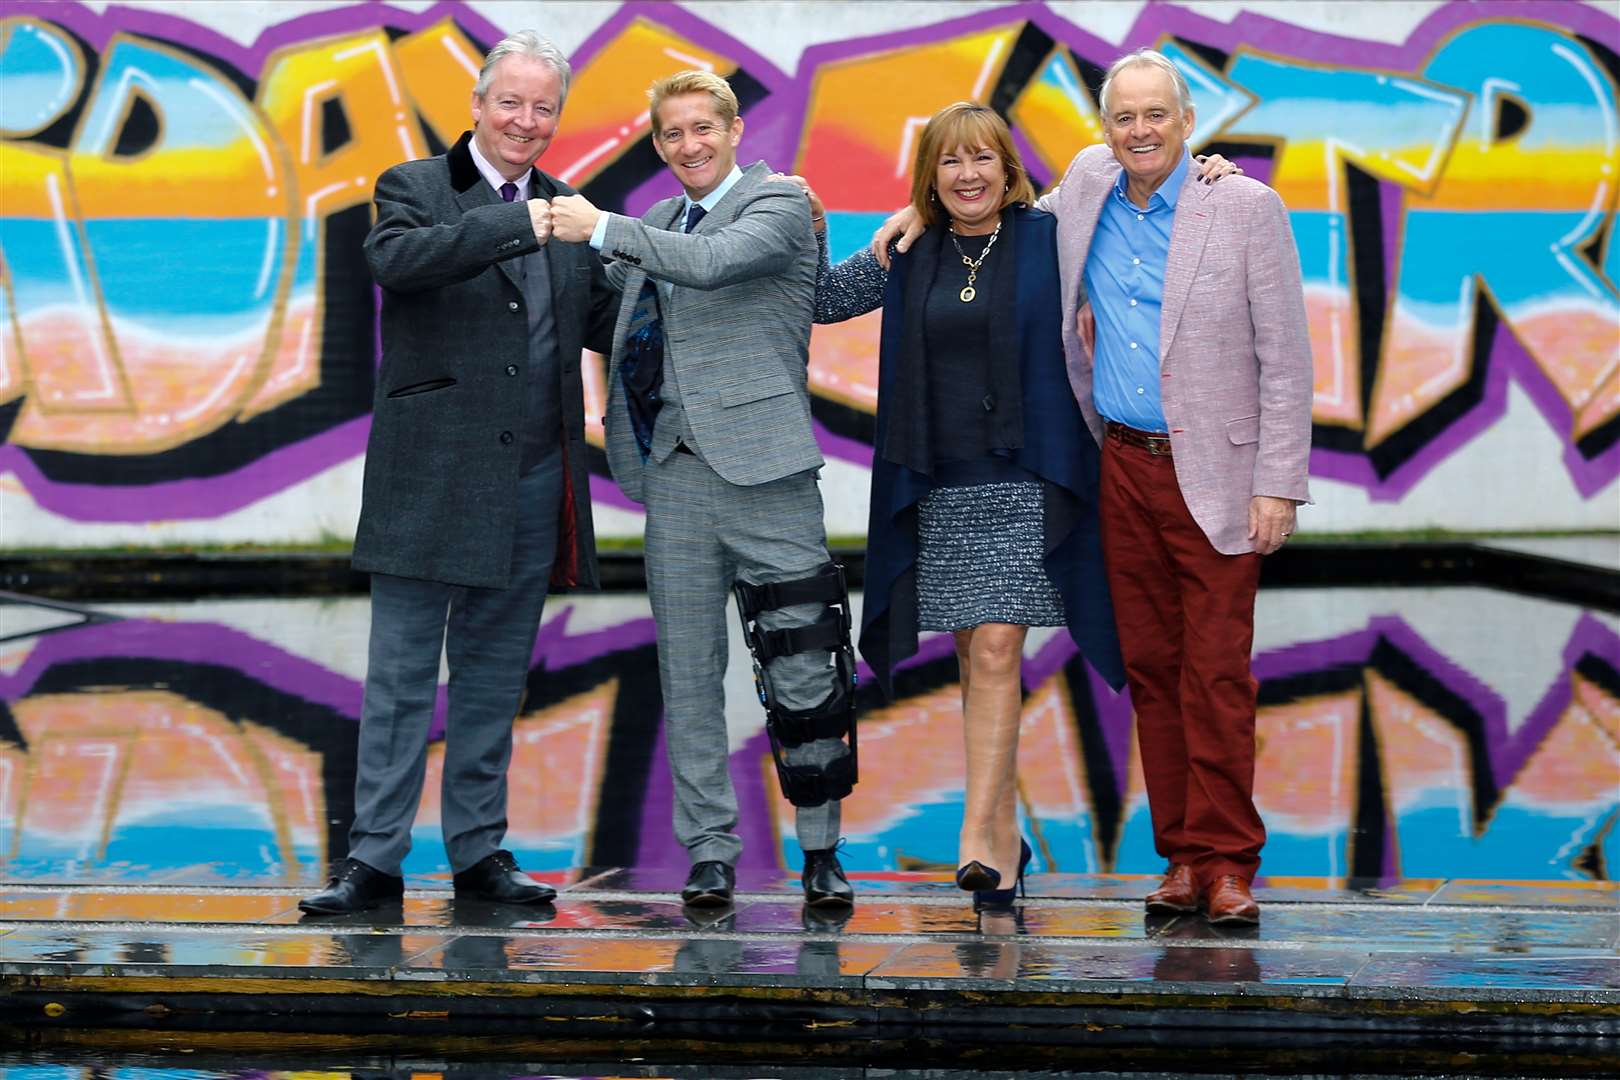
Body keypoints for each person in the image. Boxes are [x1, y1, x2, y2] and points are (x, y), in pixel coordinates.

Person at [877, 50, 1313, 924]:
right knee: (1150, 670)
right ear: (1103, 130)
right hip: (1118, 464)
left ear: (1189, 123)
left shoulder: (1245, 207)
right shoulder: (1083, 190)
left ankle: (1230, 863)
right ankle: (1184, 858)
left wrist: (1279, 485)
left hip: (1219, 475)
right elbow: (991, 204)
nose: (1141, 131)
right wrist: (911, 215)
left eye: (1157, 115)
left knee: (1216, 672)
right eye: (1124, 117)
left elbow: (1287, 356)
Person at [300, 31, 619, 916]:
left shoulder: (570, 212)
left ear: (558, 117)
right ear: (478, 106)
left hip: (531, 481)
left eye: (543, 107)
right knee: (400, 682)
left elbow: (606, 319)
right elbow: (398, 262)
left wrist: (715, 249)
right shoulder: (414, 187)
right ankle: (374, 862)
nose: (525, 120)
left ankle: (479, 854)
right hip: (429, 478)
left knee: (492, 681)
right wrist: (518, 219)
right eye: (510, 102)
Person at [792, 102, 1127, 912]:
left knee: (997, 647)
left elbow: (1127, 167)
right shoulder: (908, 248)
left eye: (983, 158)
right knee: (975, 649)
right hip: (939, 480)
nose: (968, 174)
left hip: (1026, 472)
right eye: (950, 162)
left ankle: (976, 838)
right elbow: (822, 301)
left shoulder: (1053, 240)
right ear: (930, 177)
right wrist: (802, 218)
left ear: (1008, 168)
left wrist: (1214, 170)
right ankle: (1005, 839)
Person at [549, 72, 857, 910]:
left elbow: (717, 264)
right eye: (673, 134)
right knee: (687, 675)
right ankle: (710, 853)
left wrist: (600, 226)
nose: (689, 145)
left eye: (702, 129)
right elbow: (624, 315)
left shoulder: (781, 205)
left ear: (732, 130)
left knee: (805, 663)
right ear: (660, 144)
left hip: (769, 473)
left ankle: (822, 850)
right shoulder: (654, 224)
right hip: (675, 477)